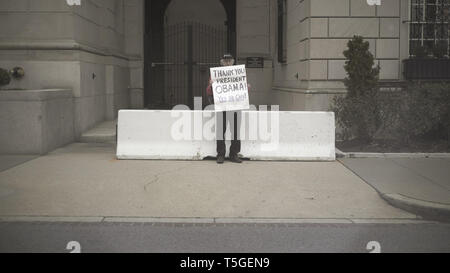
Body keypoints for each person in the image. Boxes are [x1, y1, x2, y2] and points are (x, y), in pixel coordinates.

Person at [206, 54, 249, 164]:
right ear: (221, 62)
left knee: (235, 131)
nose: (227, 63)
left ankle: (233, 154)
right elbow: (209, 92)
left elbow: (241, 91)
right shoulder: (215, 75)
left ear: (233, 62)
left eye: (229, 61)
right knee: (221, 131)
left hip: (235, 107)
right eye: (225, 61)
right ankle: (221, 154)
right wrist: (211, 85)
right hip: (222, 107)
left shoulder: (238, 74)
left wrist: (245, 87)